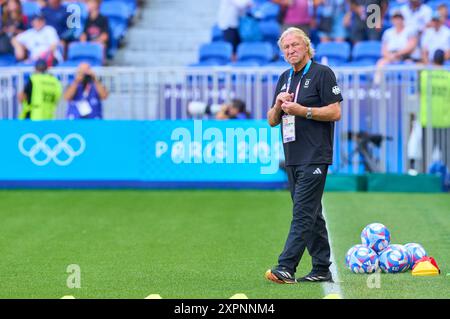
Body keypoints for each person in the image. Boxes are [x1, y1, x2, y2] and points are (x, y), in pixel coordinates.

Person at [265, 27, 342, 284]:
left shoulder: (322, 73)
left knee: (302, 212)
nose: (291, 50)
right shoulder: (285, 78)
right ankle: (321, 268)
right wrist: (278, 105)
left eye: (295, 45)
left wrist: (302, 110)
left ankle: (286, 267)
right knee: (312, 213)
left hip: (315, 154)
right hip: (293, 156)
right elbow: (272, 121)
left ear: (307, 46)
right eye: (286, 47)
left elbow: (335, 112)